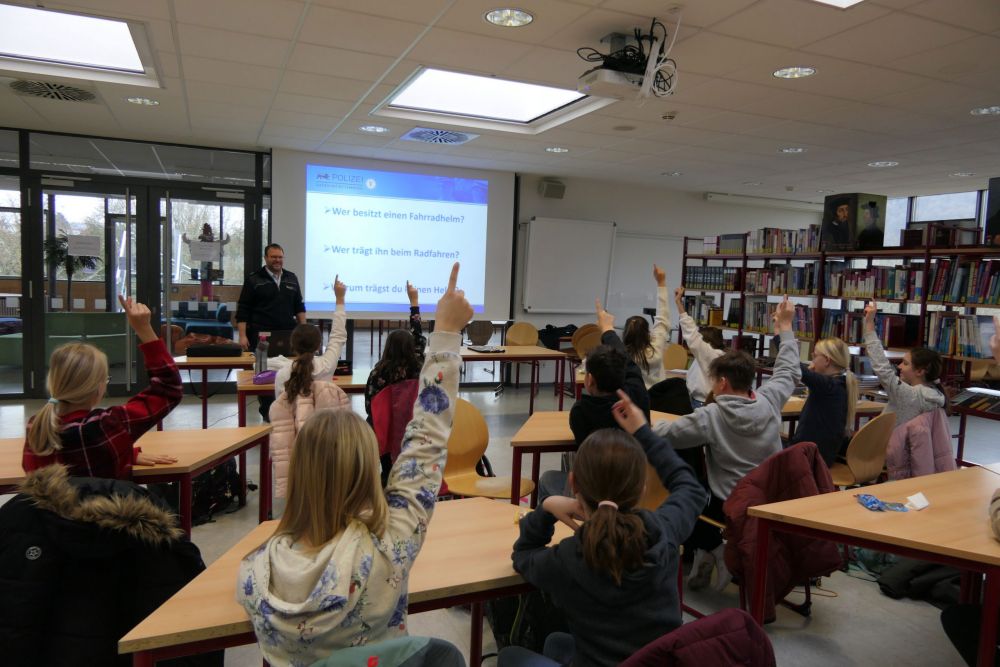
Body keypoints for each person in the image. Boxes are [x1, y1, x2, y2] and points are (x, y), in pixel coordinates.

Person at [237, 263, 472, 667]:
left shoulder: (252, 576)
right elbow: (426, 440)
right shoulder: (391, 548)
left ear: (300, 475)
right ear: (367, 472)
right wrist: (446, 334)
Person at [500, 391, 706, 667]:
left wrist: (546, 507)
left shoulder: (568, 557)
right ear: (642, 488)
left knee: (511, 656)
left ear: (573, 483)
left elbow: (522, 556)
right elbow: (689, 487)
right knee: (555, 642)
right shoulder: (663, 532)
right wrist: (642, 431)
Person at [653, 297, 801, 591]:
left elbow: (665, 435)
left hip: (729, 507)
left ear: (721, 383)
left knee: (681, 494)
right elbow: (789, 371)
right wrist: (786, 327)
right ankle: (708, 554)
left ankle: (714, 550)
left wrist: (646, 423)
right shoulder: (770, 399)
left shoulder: (711, 415)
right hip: (770, 498)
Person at [23, 295, 182, 480]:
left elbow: (72, 464)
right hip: (109, 509)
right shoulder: (108, 426)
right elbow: (169, 388)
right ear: (98, 389)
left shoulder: (36, 427)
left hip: (56, 510)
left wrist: (127, 453)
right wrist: (144, 328)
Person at [538, 299, 650, 500]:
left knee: (547, 479)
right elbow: (629, 364)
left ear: (588, 380)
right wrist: (607, 328)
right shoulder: (637, 398)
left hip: (595, 494)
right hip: (632, 492)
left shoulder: (581, 412)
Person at [236, 243, 306, 420]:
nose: (277, 260)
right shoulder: (254, 279)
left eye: (280, 257)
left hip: (287, 335)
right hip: (262, 336)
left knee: (290, 372)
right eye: (274, 257)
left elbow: (299, 306)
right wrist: (242, 335)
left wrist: (303, 329)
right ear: (266, 258)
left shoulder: (291, 278)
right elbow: (243, 309)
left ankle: (288, 410)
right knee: (264, 375)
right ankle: (268, 413)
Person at [863, 301, 945, 427]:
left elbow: (881, 367)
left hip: (893, 444)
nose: (900, 366)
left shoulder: (909, 395)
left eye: (905, 364)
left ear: (920, 371)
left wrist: (869, 322)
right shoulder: (936, 394)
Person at [271, 275, 348, 399]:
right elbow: (337, 336)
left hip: (293, 419)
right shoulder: (326, 365)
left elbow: (280, 407)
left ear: (292, 345)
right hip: (323, 419)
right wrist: (340, 299)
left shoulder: (283, 373)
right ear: (318, 346)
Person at [364, 280, 427, 423]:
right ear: (412, 348)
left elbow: (370, 407)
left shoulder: (377, 373)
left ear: (388, 348)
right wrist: (414, 301)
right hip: (412, 426)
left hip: (383, 430)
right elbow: (418, 335)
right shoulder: (419, 367)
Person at [789, 338, 858, 466]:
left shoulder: (829, 386)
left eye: (814, 356)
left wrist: (781, 334)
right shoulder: (840, 384)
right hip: (821, 455)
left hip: (809, 458)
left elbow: (795, 366)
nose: (812, 360)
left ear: (827, 360)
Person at [674, 287, 725, 408]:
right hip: (699, 400)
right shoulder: (718, 356)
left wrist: (678, 303)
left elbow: (691, 333)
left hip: (700, 403)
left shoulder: (710, 355)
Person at [622, 265, 672, 388]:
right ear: (647, 333)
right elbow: (662, 316)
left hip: (631, 401)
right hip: (656, 400)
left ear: (625, 334)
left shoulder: (621, 356)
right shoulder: (655, 349)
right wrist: (661, 282)